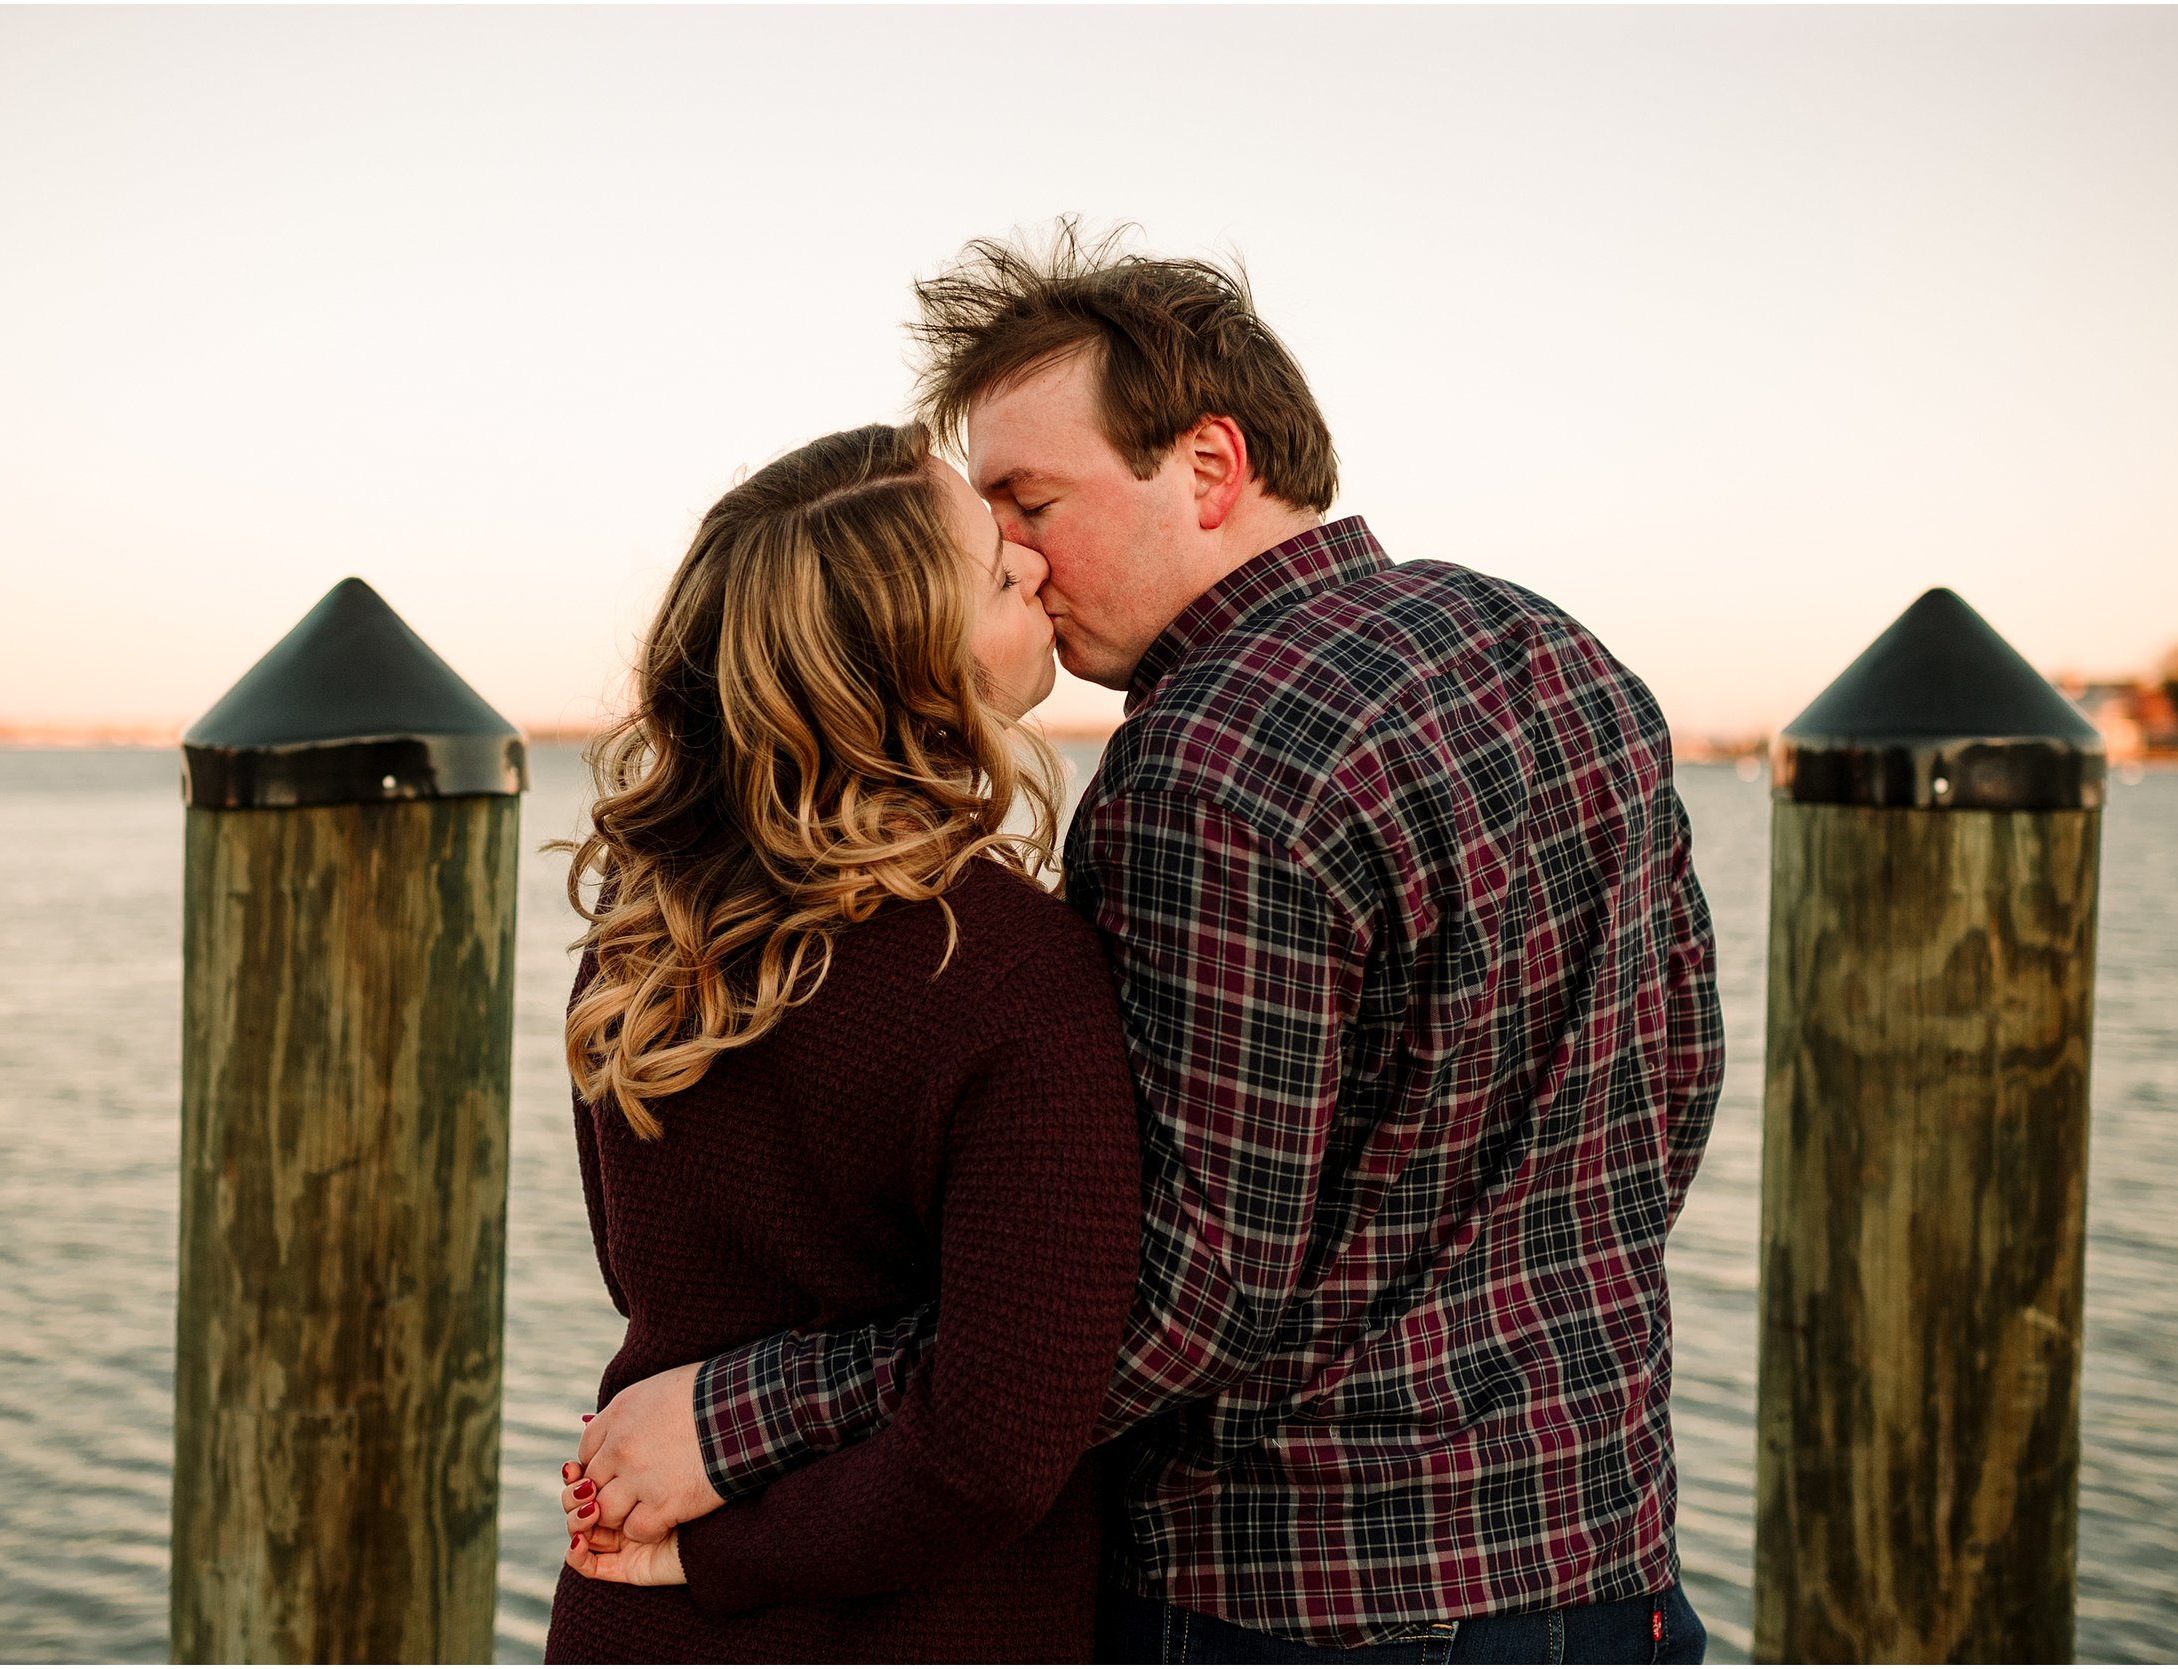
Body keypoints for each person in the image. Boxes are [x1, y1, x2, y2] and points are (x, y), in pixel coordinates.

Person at [566, 224, 1726, 1664]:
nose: (1015, 556)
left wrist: (743, 1417)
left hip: (1297, 1588)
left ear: (1211, 469)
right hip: (1605, 1557)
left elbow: (1179, 1297)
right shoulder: (1560, 655)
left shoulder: (1206, 760)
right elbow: (1671, 1090)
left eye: (1032, 500)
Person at [543, 420, 1143, 1662]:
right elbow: (990, 1454)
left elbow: (641, 1274)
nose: (1031, 563)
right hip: (901, 1624)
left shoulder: (644, 933)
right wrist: (722, 1552)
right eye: (992, 571)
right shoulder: (1013, 972)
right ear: (913, 669)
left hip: (632, 1614)